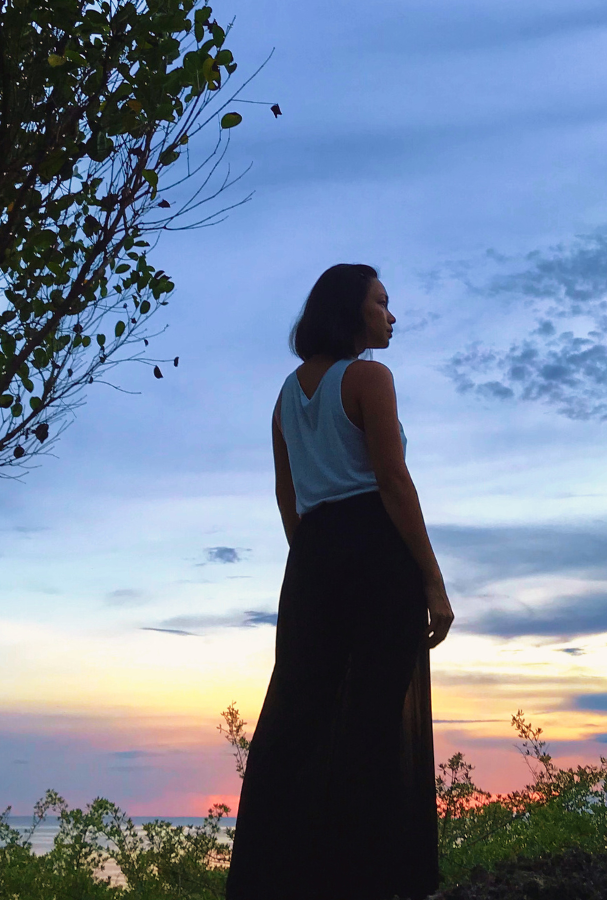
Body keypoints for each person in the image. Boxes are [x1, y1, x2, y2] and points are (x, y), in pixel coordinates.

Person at [225, 264, 455, 900]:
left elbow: (286, 496)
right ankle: (372, 880)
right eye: (381, 302)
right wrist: (433, 582)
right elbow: (394, 482)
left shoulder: (285, 396)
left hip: (313, 559)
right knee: (373, 722)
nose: (391, 315)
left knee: (300, 722)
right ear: (351, 311)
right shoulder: (369, 378)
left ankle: (284, 881)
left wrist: (315, 561)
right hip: (377, 554)